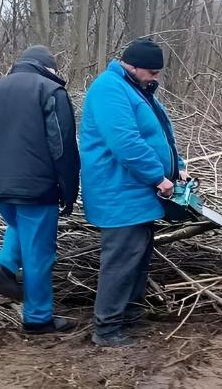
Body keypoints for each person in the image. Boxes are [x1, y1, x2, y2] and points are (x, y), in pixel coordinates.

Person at [79, 39, 188, 347]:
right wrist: (158, 177)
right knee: (121, 261)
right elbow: (125, 142)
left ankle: (130, 318)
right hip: (118, 191)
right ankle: (107, 329)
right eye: (152, 71)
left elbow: (161, 135)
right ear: (132, 66)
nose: (156, 78)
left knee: (137, 259)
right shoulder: (109, 89)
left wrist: (177, 166)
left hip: (137, 192)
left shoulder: (137, 89)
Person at [0, 45, 80, 334]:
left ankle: (5, 264)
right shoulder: (50, 91)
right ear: (49, 69)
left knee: (22, 230)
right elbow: (62, 147)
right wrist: (69, 190)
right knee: (39, 252)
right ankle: (38, 318)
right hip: (36, 184)